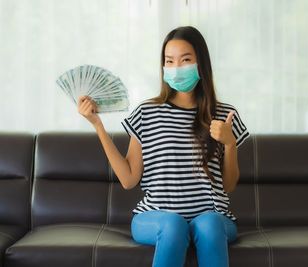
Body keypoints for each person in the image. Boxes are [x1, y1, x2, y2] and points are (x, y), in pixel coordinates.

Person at [78, 26, 250, 267]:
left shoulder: (223, 115)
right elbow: (128, 179)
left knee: (209, 223)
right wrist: (97, 125)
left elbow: (229, 185)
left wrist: (230, 144)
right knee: (174, 225)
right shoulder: (147, 113)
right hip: (155, 217)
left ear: (201, 63)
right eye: (169, 61)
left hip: (215, 218)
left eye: (186, 60)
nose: (177, 68)